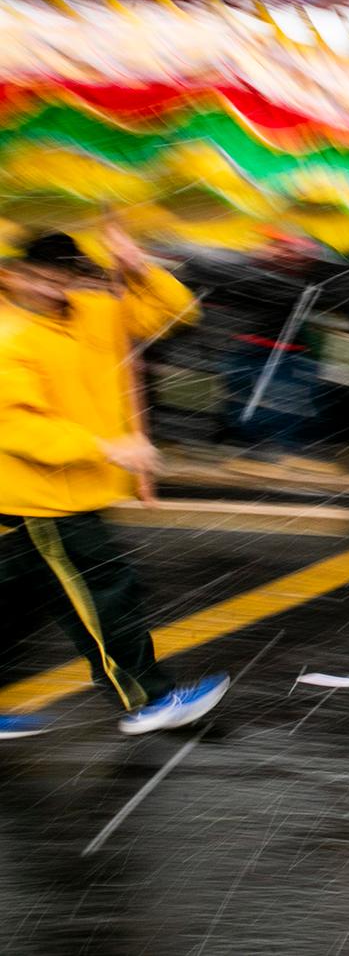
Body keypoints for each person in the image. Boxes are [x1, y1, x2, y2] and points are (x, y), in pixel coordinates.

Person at [0, 230, 229, 739]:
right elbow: (15, 425)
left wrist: (140, 266)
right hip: (40, 494)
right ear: (12, 273)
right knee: (104, 591)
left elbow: (175, 314)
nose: (52, 287)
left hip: (69, 490)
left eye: (63, 275)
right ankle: (147, 699)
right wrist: (107, 447)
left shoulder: (91, 310)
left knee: (19, 605)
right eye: (39, 275)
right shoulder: (7, 335)